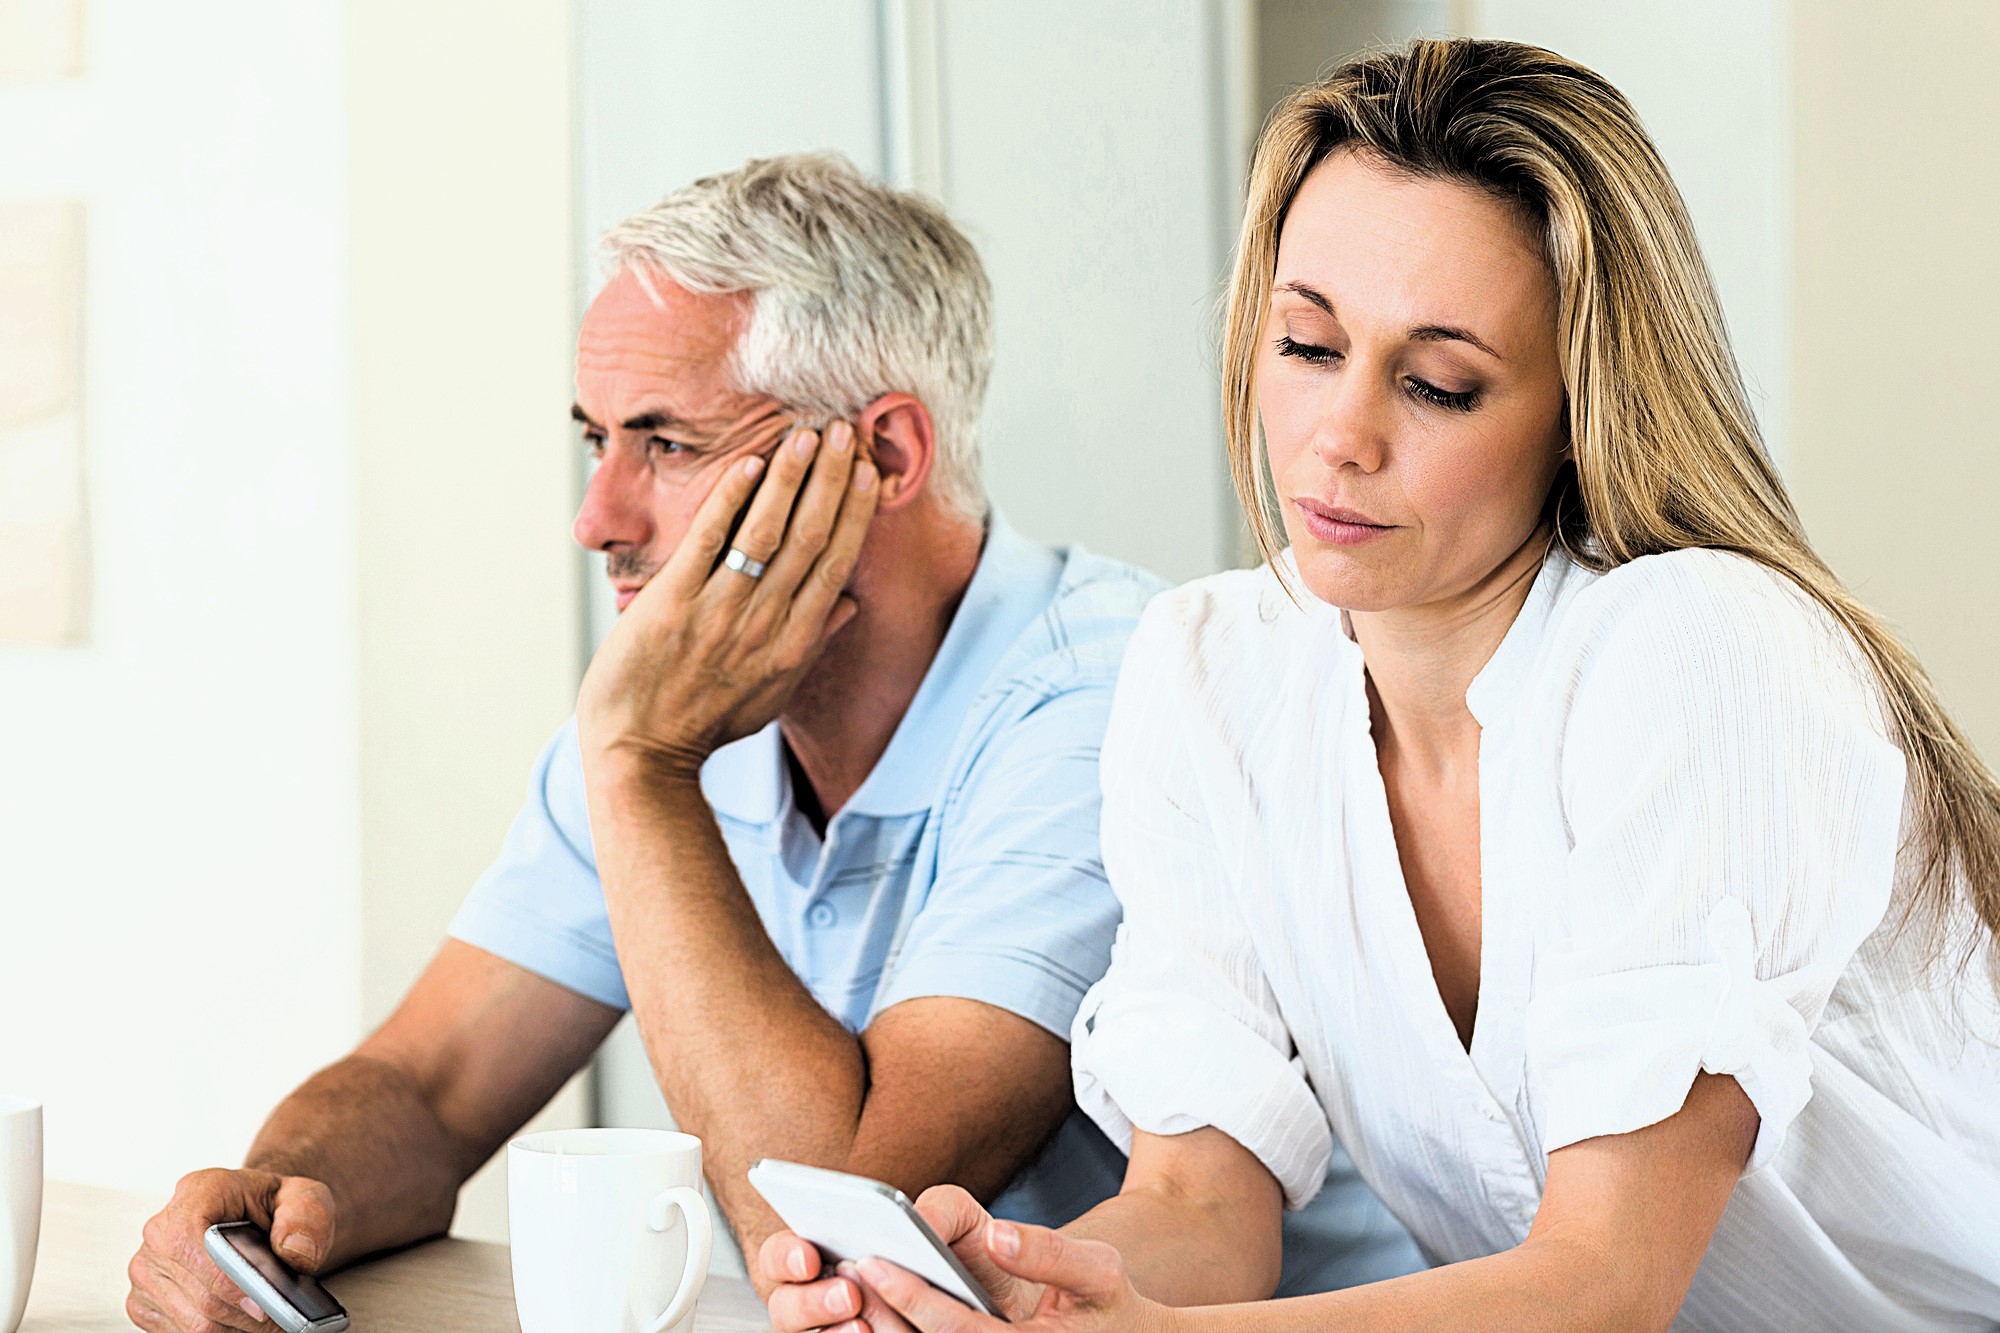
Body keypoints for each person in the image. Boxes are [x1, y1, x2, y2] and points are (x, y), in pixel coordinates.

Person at [762, 40, 2000, 1333]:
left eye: (1438, 383)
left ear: (1580, 406)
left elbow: (1604, 1280)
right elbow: (1199, 1202)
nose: (1340, 436)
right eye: (1305, 344)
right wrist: (1018, 1292)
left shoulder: (1695, 649)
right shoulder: (1212, 674)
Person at [123, 154, 1417, 1333]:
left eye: (666, 445)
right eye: (596, 440)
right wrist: (279, 1200)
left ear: (886, 452)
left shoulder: (1113, 692)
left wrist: (639, 767)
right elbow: (432, 1080)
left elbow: (847, 1209)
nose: (597, 516)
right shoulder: (682, 703)